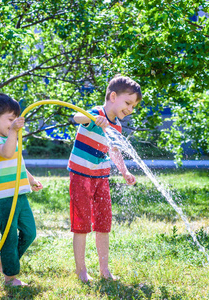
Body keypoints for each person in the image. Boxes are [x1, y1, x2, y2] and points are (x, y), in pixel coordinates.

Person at [67, 75, 142, 282]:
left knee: (103, 224)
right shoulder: (96, 113)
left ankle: (104, 270)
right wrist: (92, 119)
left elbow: (115, 151)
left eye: (133, 106)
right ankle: (81, 270)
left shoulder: (116, 126)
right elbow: (76, 117)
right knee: (81, 224)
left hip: (102, 177)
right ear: (113, 96)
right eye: (128, 103)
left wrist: (124, 171)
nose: (130, 109)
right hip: (81, 175)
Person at [0, 93, 43, 286]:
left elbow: (18, 163)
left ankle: (2, 261)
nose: (13, 123)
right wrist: (13, 133)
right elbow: (7, 153)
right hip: (4, 198)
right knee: (8, 237)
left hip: (19, 195)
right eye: (10, 119)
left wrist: (31, 180)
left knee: (30, 232)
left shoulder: (10, 138)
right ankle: (10, 277)